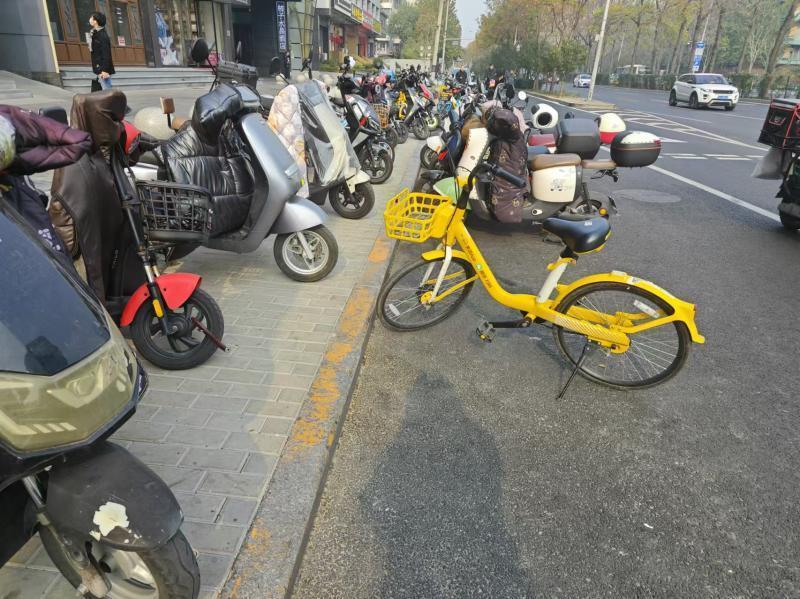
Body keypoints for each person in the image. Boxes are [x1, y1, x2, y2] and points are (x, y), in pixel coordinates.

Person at [89, 12, 115, 90]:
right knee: (104, 92)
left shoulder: (102, 35)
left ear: (95, 21)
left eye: (91, 18)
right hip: (99, 68)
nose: (90, 20)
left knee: (107, 92)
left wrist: (105, 70)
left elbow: (106, 54)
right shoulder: (95, 33)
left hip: (103, 69)